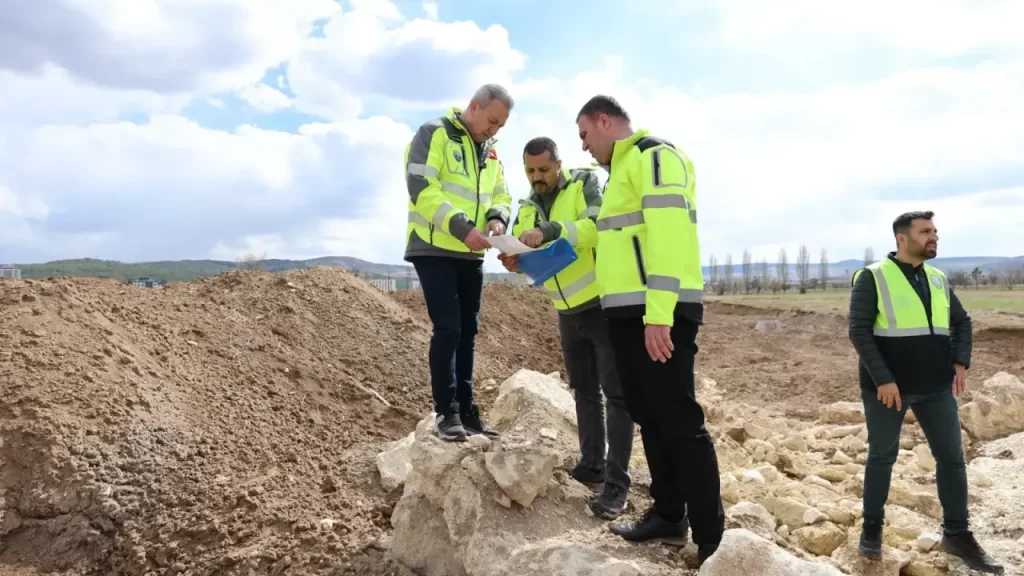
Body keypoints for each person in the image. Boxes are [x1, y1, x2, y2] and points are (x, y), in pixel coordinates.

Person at [573, 94, 724, 565]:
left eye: (584, 135)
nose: (583, 147)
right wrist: (548, 239)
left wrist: (659, 312)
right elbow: (605, 232)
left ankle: (713, 537)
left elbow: (669, 234)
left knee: (678, 419)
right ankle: (669, 515)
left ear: (603, 121)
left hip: (657, 311)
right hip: (625, 311)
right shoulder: (620, 174)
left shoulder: (654, 157)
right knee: (649, 414)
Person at [849, 211, 1004, 574]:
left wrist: (960, 361)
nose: (934, 236)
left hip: (936, 388)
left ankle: (957, 533)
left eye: (935, 231)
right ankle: (871, 529)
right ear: (902, 239)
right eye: (925, 232)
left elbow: (962, 322)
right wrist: (884, 379)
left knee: (952, 459)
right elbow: (859, 331)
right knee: (881, 457)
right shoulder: (872, 277)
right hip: (887, 390)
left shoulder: (937, 278)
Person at [498, 136, 636, 520]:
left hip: (600, 304)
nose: (537, 177)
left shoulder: (584, 183)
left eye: (543, 169)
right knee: (584, 393)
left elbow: (596, 225)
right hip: (565, 309)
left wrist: (552, 229)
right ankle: (592, 464)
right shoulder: (525, 207)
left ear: (558, 164)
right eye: (530, 171)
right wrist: (516, 261)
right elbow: (530, 254)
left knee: (617, 396)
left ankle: (617, 483)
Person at [403, 84, 514, 442]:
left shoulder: (491, 153)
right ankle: (445, 411)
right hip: (434, 248)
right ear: (474, 106)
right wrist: (461, 227)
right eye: (492, 121)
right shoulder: (434, 133)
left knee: (468, 332)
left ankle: (467, 409)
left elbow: (502, 193)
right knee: (448, 328)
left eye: (500, 126)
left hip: (472, 252)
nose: (494, 130)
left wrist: (498, 219)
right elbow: (421, 186)